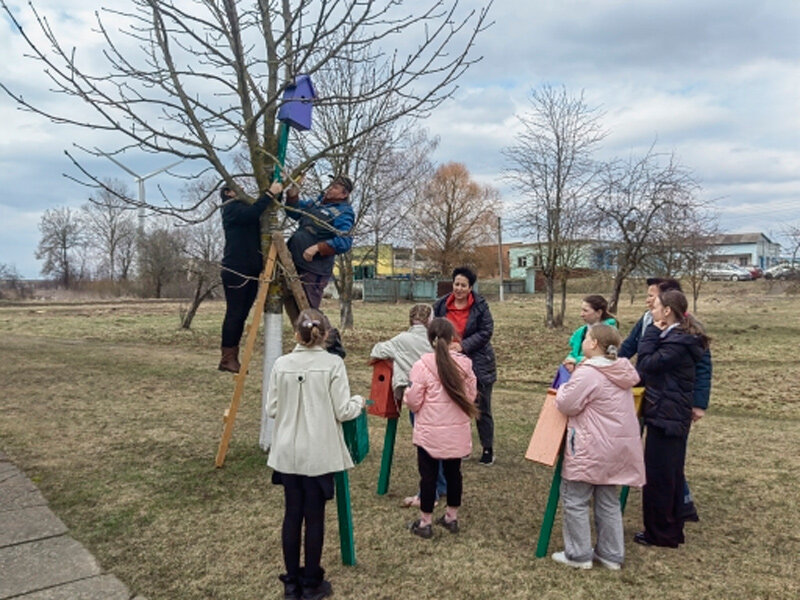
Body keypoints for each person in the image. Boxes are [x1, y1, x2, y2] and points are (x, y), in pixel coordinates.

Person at [266, 308, 364, 599]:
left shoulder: (281, 364)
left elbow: (272, 408)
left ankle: (291, 582)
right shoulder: (333, 364)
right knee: (315, 517)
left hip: (287, 450)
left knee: (292, 514)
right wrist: (359, 402)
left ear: (296, 333)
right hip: (319, 451)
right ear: (326, 334)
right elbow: (342, 410)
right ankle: (311, 582)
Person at [551, 324, 645, 570]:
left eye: (586, 339)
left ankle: (579, 554)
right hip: (616, 448)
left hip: (589, 446)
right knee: (608, 499)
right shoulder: (620, 371)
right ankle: (611, 554)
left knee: (575, 497)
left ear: (593, 344)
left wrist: (564, 386)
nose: (582, 343)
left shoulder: (589, 373)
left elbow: (568, 403)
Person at [619, 277, 712, 522]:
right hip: (652, 396)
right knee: (657, 457)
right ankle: (668, 512)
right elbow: (628, 347)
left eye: (652, 296)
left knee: (668, 460)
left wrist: (699, 403)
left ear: (668, 304)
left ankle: (681, 507)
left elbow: (703, 367)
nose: (648, 301)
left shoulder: (689, 329)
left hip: (672, 403)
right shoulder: (647, 319)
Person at [404, 317, 478, 538]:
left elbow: (413, 400)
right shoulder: (465, 365)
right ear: (452, 337)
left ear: (430, 339)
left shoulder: (421, 366)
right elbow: (471, 395)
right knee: (454, 474)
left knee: (428, 477)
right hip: (455, 431)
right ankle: (451, 518)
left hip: (429, 432)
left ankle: (425, 522)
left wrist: (410, 399)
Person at [369, 304, 444, 508]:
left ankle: (429, 492)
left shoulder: (401, 339)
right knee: (438, 443)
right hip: (438, 397)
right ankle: (442, 484)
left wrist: (395, 359)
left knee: (425, 446)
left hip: (415, 397)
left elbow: (377, 350)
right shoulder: (435, 341)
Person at [433, 266, 497, 465]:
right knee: (457, 406)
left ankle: (487, 448)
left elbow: (486, 331)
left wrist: (463, 346)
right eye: (456, 284)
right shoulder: (441, 305)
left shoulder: (480, 306)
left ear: (470, 288)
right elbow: (434, 328)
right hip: (450, 361)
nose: (459, 289)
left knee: (481, 405)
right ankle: (462, 446)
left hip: (479, 361)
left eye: (463, 285)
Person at [219, 180, 284, 372]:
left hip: (249, 271)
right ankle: (227, 358)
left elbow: (264, 208)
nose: (242, 189)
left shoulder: (245, 206)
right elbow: (253, 212)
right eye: (237, 188)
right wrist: (270, 193)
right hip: (236, 270)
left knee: (241, 314)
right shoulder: (231, 209)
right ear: (228, 193)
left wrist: (278, 191)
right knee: (235, 314)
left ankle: (231, 356)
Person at [284, 175, 355, 309]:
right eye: (331, 185)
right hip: (295, 260)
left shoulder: (343, 212)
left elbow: (345, 241)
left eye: (335, 187)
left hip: (314, 269)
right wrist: (293, 193)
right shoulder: (317, 203)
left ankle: (320, 324)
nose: (330, 189)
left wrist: (318, 247)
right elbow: (294, 211)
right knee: (291, 305)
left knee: (308, 311)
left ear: (344, 194)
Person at [563, 295, 618, 373]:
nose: (581, 314)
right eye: (582, 310)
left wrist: (576, 360)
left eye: (585, 311)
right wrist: (569, 362)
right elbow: (574, 353)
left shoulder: (608, 333)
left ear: (599, 313)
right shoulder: (581, 332)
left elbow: (603, 359)